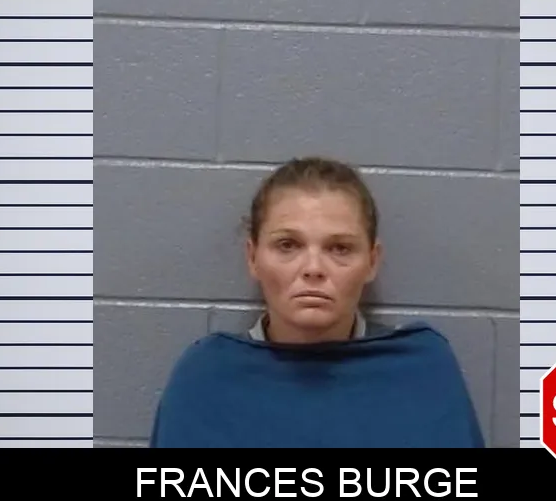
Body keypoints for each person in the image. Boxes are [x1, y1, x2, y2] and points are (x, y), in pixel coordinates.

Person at [149, 156, 485, 448]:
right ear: (253, 257)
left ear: (372, 261)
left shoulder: (421, 372)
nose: (313, 269)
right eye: (288, 245)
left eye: (340, 248)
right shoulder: (207, 379)